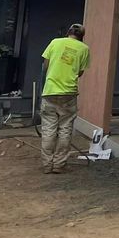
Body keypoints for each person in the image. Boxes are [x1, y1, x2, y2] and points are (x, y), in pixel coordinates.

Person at [40, 23, 90, 174]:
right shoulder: (84, 49)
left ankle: (47, 164)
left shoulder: (55, 42)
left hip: (50, 92)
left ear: (68, 32)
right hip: (69, 93)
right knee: (65, 129)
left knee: (48, 129)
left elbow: (45, 66)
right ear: (82, 36)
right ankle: (59, 165)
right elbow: (80, 72)